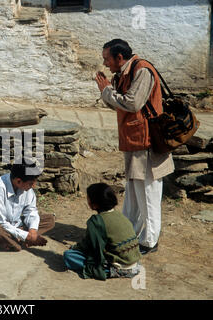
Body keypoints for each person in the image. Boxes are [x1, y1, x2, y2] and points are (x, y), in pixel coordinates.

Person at [94, 39, 174, 255]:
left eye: (107, 59)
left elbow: (132, 103)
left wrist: (107, 92)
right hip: (134, 140)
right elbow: (119, 102)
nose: (105, 64)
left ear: (120, 58)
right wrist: (108, 92)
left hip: (146, 141)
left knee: (148, 192)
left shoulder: (142, 71)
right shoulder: (123, 74)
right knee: (133, 192)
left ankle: (150, 240)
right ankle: (129, 233)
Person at [63, 183, 142, 280]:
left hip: (119, 266)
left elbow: (89, 246)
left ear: (95, 204)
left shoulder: (96, 221)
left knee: (69, 256)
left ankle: (108, 271)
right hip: (135, 264)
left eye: (88, 198)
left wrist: (75, 248)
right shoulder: (119, 215)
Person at [0, 163, 55, 251]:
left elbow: (31, 211)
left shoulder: (26, 187)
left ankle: (10, 239)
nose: (33, 186)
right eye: (31, 183)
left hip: (13, 225)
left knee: (49, 220)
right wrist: (26, 236)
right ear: (18, 181)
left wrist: (32, 230)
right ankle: (15, 239)